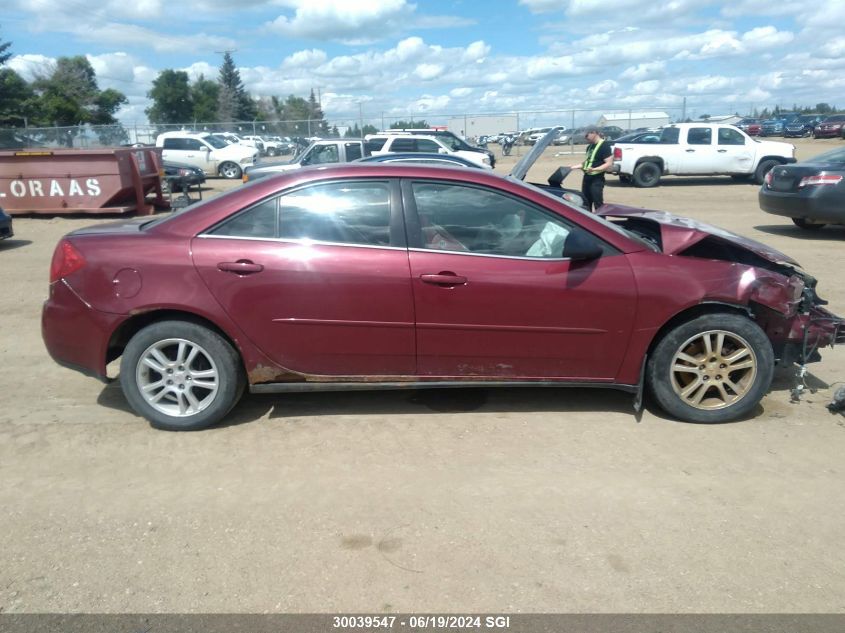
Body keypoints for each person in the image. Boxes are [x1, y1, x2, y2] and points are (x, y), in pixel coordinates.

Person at [570, 125, 613, 212]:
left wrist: (595, 169)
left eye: (587, 135)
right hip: (587, 178)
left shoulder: (604, 146)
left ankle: (600, 220)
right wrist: (574, 167)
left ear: (594, 133)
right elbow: (588, 162)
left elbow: (608, 163)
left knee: (598, 204)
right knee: (586, 203)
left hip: (596, 179)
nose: (585, 138)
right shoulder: (589, 147)